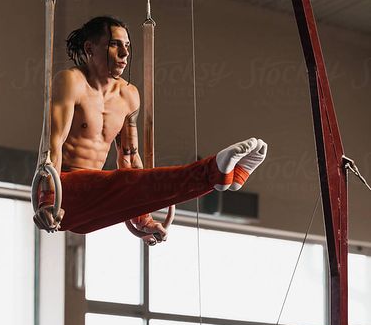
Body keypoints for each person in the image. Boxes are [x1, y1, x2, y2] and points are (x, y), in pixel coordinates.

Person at [35, 15, 267, 244]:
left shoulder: (129, 95)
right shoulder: (71, 82)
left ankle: (225, 178)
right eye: (115, 45)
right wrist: (47, 200)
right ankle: (215, 172)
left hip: (95, 206)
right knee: (127, 182)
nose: (125, 54)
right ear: (90, 48)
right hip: (64, 197)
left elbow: (129, 159)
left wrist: (143, 218)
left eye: (127, 46)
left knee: (148, 183)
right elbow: (52, 144)